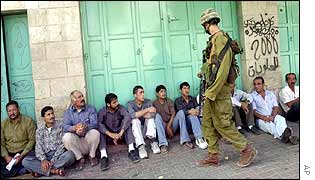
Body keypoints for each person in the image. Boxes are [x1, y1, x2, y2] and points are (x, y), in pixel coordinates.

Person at [196, 8, 257, 168]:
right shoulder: (214, 39)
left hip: (218, 92)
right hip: (211, 90)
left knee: (223, 124)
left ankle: (246, 149)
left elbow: (223, 70)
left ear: (207, 23)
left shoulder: (221, 39)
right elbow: (213, 64)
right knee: (207, 123)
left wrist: (211, 92)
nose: (204, 27)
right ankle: (213, 155)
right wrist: (203, 71)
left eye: (204, 24)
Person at [22, 106, 75, 177]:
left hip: (58, 155)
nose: (52, 116)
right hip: (45, 156)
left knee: (70, 155)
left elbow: (62, 146)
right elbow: (38, 147)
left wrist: (53, 161)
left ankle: (41, 171)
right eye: (48, 114)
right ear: (43, 118)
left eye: (52, 113)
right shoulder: (39, 130)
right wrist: (43, 160)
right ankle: (54, 171)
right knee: (25, 161)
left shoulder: (61, 126)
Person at [98, 93, 140, 171]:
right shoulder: (102, 111)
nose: (117, 103)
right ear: (108, 104)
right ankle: (103, 156)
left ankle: (131, 150)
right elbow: (99, 124)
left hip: (121, 135)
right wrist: (110, 134)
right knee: (101, 131)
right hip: (109, 137)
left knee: (127, 125)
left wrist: (120, 132)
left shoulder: (121, 108)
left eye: (117, 101)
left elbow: (127, 117)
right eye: (114, 102)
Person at [251, 77, 298, 145]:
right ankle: (286, 137)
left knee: (281, 119)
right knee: (270, 126)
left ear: (263, 84)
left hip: (273, 115)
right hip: (261, 119)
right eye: (255, 84)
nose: (256, 86)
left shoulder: (270, 94)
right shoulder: (252, 96)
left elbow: (276, 106)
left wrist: (273, 116)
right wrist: (264, 117)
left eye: (259, 84)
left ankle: (285, 137)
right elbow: (254, 111)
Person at [62, 90, 100, 171]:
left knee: (95, 132)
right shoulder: (68, 112)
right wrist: (74, 128)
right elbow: (65, 126)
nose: (82, 98)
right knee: (66, 137)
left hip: (88, 141)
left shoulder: (91, 109)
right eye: (79, 97)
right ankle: (79, 158)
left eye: (82, 96)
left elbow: (95, 124)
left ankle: (92, 156)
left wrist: (85, 127)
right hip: (77, 143)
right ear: (73, 101)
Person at [127, 85, 165, 159]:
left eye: (143, 92)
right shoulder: (130, 104)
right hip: (137, 133)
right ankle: (141, 146)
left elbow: (153, 114)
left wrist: (139, 114)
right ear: (135, 95)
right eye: (140, 93)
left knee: (150, 119)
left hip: (147, 131)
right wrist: (147, 110)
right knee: (134, 120)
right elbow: (132, 115)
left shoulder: (148, 101)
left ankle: (153, 142)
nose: (143, 94)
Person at [1, 101, 36, 178]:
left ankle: (15, 170)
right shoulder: (3, 124)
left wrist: (21, 156)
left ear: (18, 109)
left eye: (14, 110)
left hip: (24, 152)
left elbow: (32, 140)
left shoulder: (28, 121)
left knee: (28, 160)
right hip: (10, 153)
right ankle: (23, 171)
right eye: (9, 111)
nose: (12, 113)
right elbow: (1, 143)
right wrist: (6, 157)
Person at [174, 82, 208, 150]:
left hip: (193, 124)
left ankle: (200, 137)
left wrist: (196, 110)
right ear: (181, 90)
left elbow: (198, 109)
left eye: (188, 88)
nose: (186, 90)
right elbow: (180, 112)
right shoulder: (178, 100)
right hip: (183, 124)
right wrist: (190, 111)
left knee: (196, 113)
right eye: (184, 88)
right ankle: (194, 138)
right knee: (188, 114)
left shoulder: (193, 98)